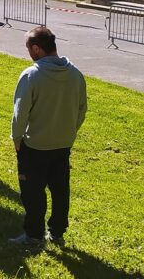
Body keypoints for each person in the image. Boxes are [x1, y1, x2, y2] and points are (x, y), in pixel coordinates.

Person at [10, 26, 87, 247]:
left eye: (28, 48)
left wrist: (17, 140)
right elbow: (82, 110)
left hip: (34, 146)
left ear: (36, 48)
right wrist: (68, 132)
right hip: (63, 144)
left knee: (33, 194)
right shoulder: (75, 74)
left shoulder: (31, 75)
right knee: (60, 190)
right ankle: (57, 233)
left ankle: (34, 235)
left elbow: (20, 113)